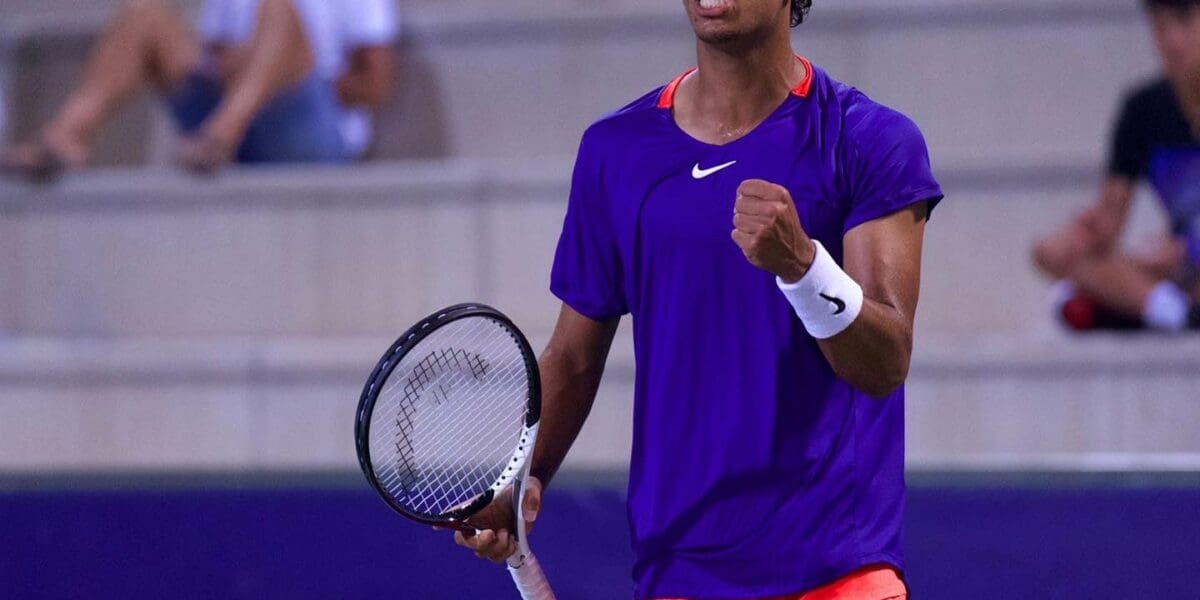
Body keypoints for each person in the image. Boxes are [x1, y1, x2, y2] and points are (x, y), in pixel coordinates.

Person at [448, 1, 942, 598]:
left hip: (837, 569)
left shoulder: (870, 140)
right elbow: (573, 357)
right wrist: (520, 481)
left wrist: (805, 269)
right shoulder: (615, 151)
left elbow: (885, 362)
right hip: (678, 570)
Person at [0, 0, 396, 181]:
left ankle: (221, 135)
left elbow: (375, 85)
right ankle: (65, 138)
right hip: (233, 115)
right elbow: (216, 53)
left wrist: (278, 71)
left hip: (310, 132)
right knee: (145, 13)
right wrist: (243, 69)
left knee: (278, 11)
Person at [1033, 0, 1200, 332]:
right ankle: (1176, 311)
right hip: (1182, 267)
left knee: (1078, 298)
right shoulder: (1143, 109)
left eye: (1183, 22)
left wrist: (1189, 250)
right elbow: (1109, 222)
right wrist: (1086, 232)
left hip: (1186, 258)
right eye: (1160, 27)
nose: (1171, 41)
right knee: (1051, 251)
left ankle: (1155, 308)